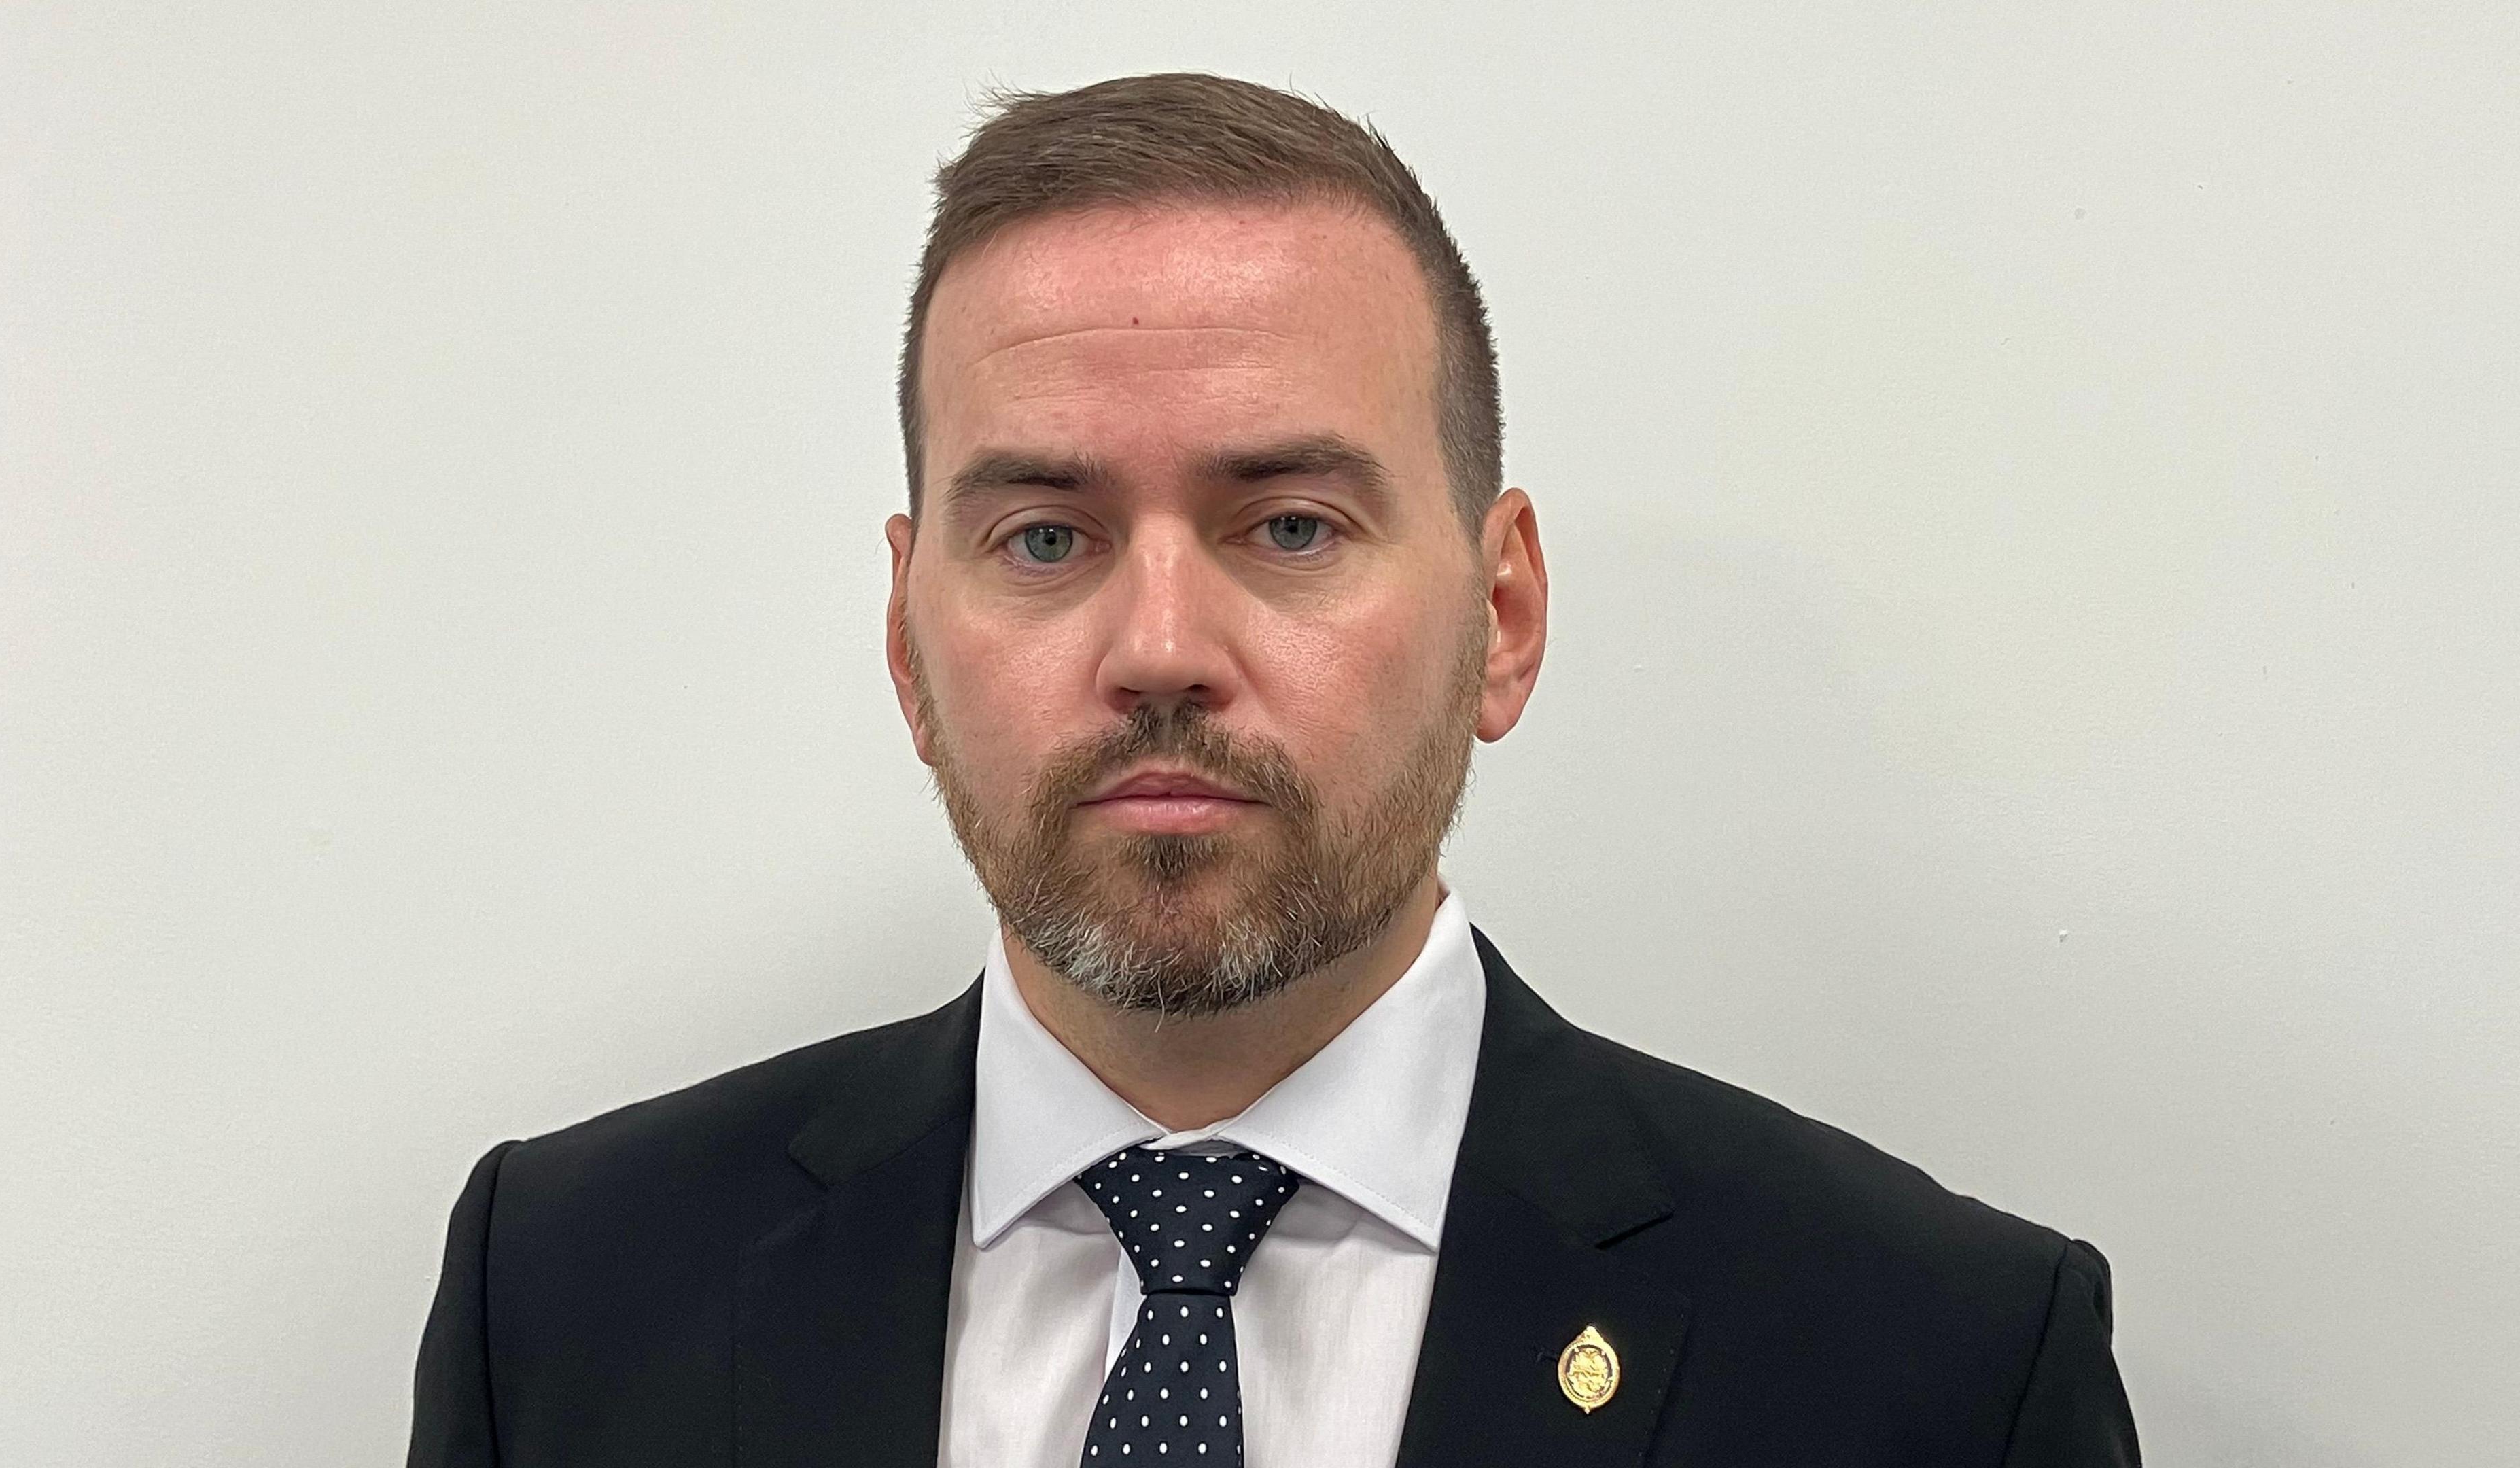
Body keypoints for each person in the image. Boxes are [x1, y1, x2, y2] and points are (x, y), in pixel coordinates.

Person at [407, 71, 2139, 1467]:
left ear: (1503, 614)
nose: (1159, 643)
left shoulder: (1931, 1366)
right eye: (1041, 537)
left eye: (1291, 524)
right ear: (906, 642)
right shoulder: (567, 1293)